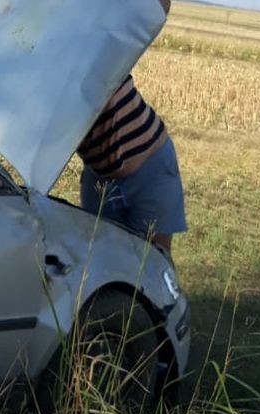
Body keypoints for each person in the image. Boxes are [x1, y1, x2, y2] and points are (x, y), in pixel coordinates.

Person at [78, 45, 187, 256]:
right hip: (98, 176)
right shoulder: (44, 73)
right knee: (98, 260)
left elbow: (155, 13)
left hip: (151, 169)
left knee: (155, 260)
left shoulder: (96, 43)